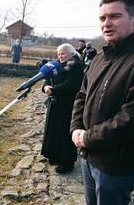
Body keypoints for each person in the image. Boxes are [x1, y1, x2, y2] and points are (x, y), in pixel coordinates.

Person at [70, 0, 134, 205]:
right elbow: (81, 96)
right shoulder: (100, 58)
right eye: (102, 18)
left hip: (117, 165)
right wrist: (76, 129)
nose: (107, 23)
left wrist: (87, 137)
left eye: (115, 16)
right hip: (87, 154)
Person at [41, 43, 83, 174]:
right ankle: (53, 154)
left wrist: (53, 90)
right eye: (59, 54)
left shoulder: (76, 66)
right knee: (53, 129)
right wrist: (46, 87)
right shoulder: (56, 65)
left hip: (67, 104)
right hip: (55, 103)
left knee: (64, 132)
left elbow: (71, 84)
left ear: (71, 54)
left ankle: (66, 162)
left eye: (63, 53)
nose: (60, 56)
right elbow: (47, 78)